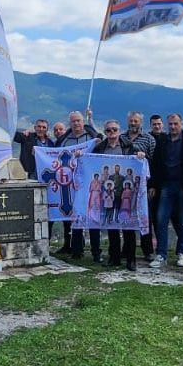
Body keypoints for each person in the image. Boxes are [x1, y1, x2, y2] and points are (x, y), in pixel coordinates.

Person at [86, 119, 146, 271]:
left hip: (124, 195)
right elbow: (90, 162)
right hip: (109, 195)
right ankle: (114, 257)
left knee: (127, 226)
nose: (112, 132)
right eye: (108, 130)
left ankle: (131, 259)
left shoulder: (129, 147)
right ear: (105, 132)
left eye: (114, 129)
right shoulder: (100, 148)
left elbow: (141, 164)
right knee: (111, 225)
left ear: (119, 131)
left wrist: (140, 156)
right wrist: (80, 155)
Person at [56, 110, 101, 261]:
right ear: (70, 123)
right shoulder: (64, 140)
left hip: (90, 182)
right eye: (73, 121)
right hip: (71, 184)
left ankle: (96, 252)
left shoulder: (92, 138)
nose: (76, 123)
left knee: (92, 216)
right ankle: (76, 251)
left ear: (83, 122)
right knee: (75, 217)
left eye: (79, 120)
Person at [150, 113, 183, 268]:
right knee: (161, 219)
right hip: (166, 185)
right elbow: (155, 163)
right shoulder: (162, 140)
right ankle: (161, 254)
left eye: (176, 123)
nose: (173, 127)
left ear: (181, 123)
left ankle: (182, 252)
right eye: (171, 124)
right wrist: (153, 185)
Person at [122, 112, 157, 260]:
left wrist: (152, 185)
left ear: (141, 122)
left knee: (144, 217)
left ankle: (147, 250)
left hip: (143, 185)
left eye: (136, 121)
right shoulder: (121, 137)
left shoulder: (149, 139)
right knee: (125, 215)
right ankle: (127, 248)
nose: (133, 123)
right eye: (131, 121)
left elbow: (154, 162)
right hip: (126, 185)